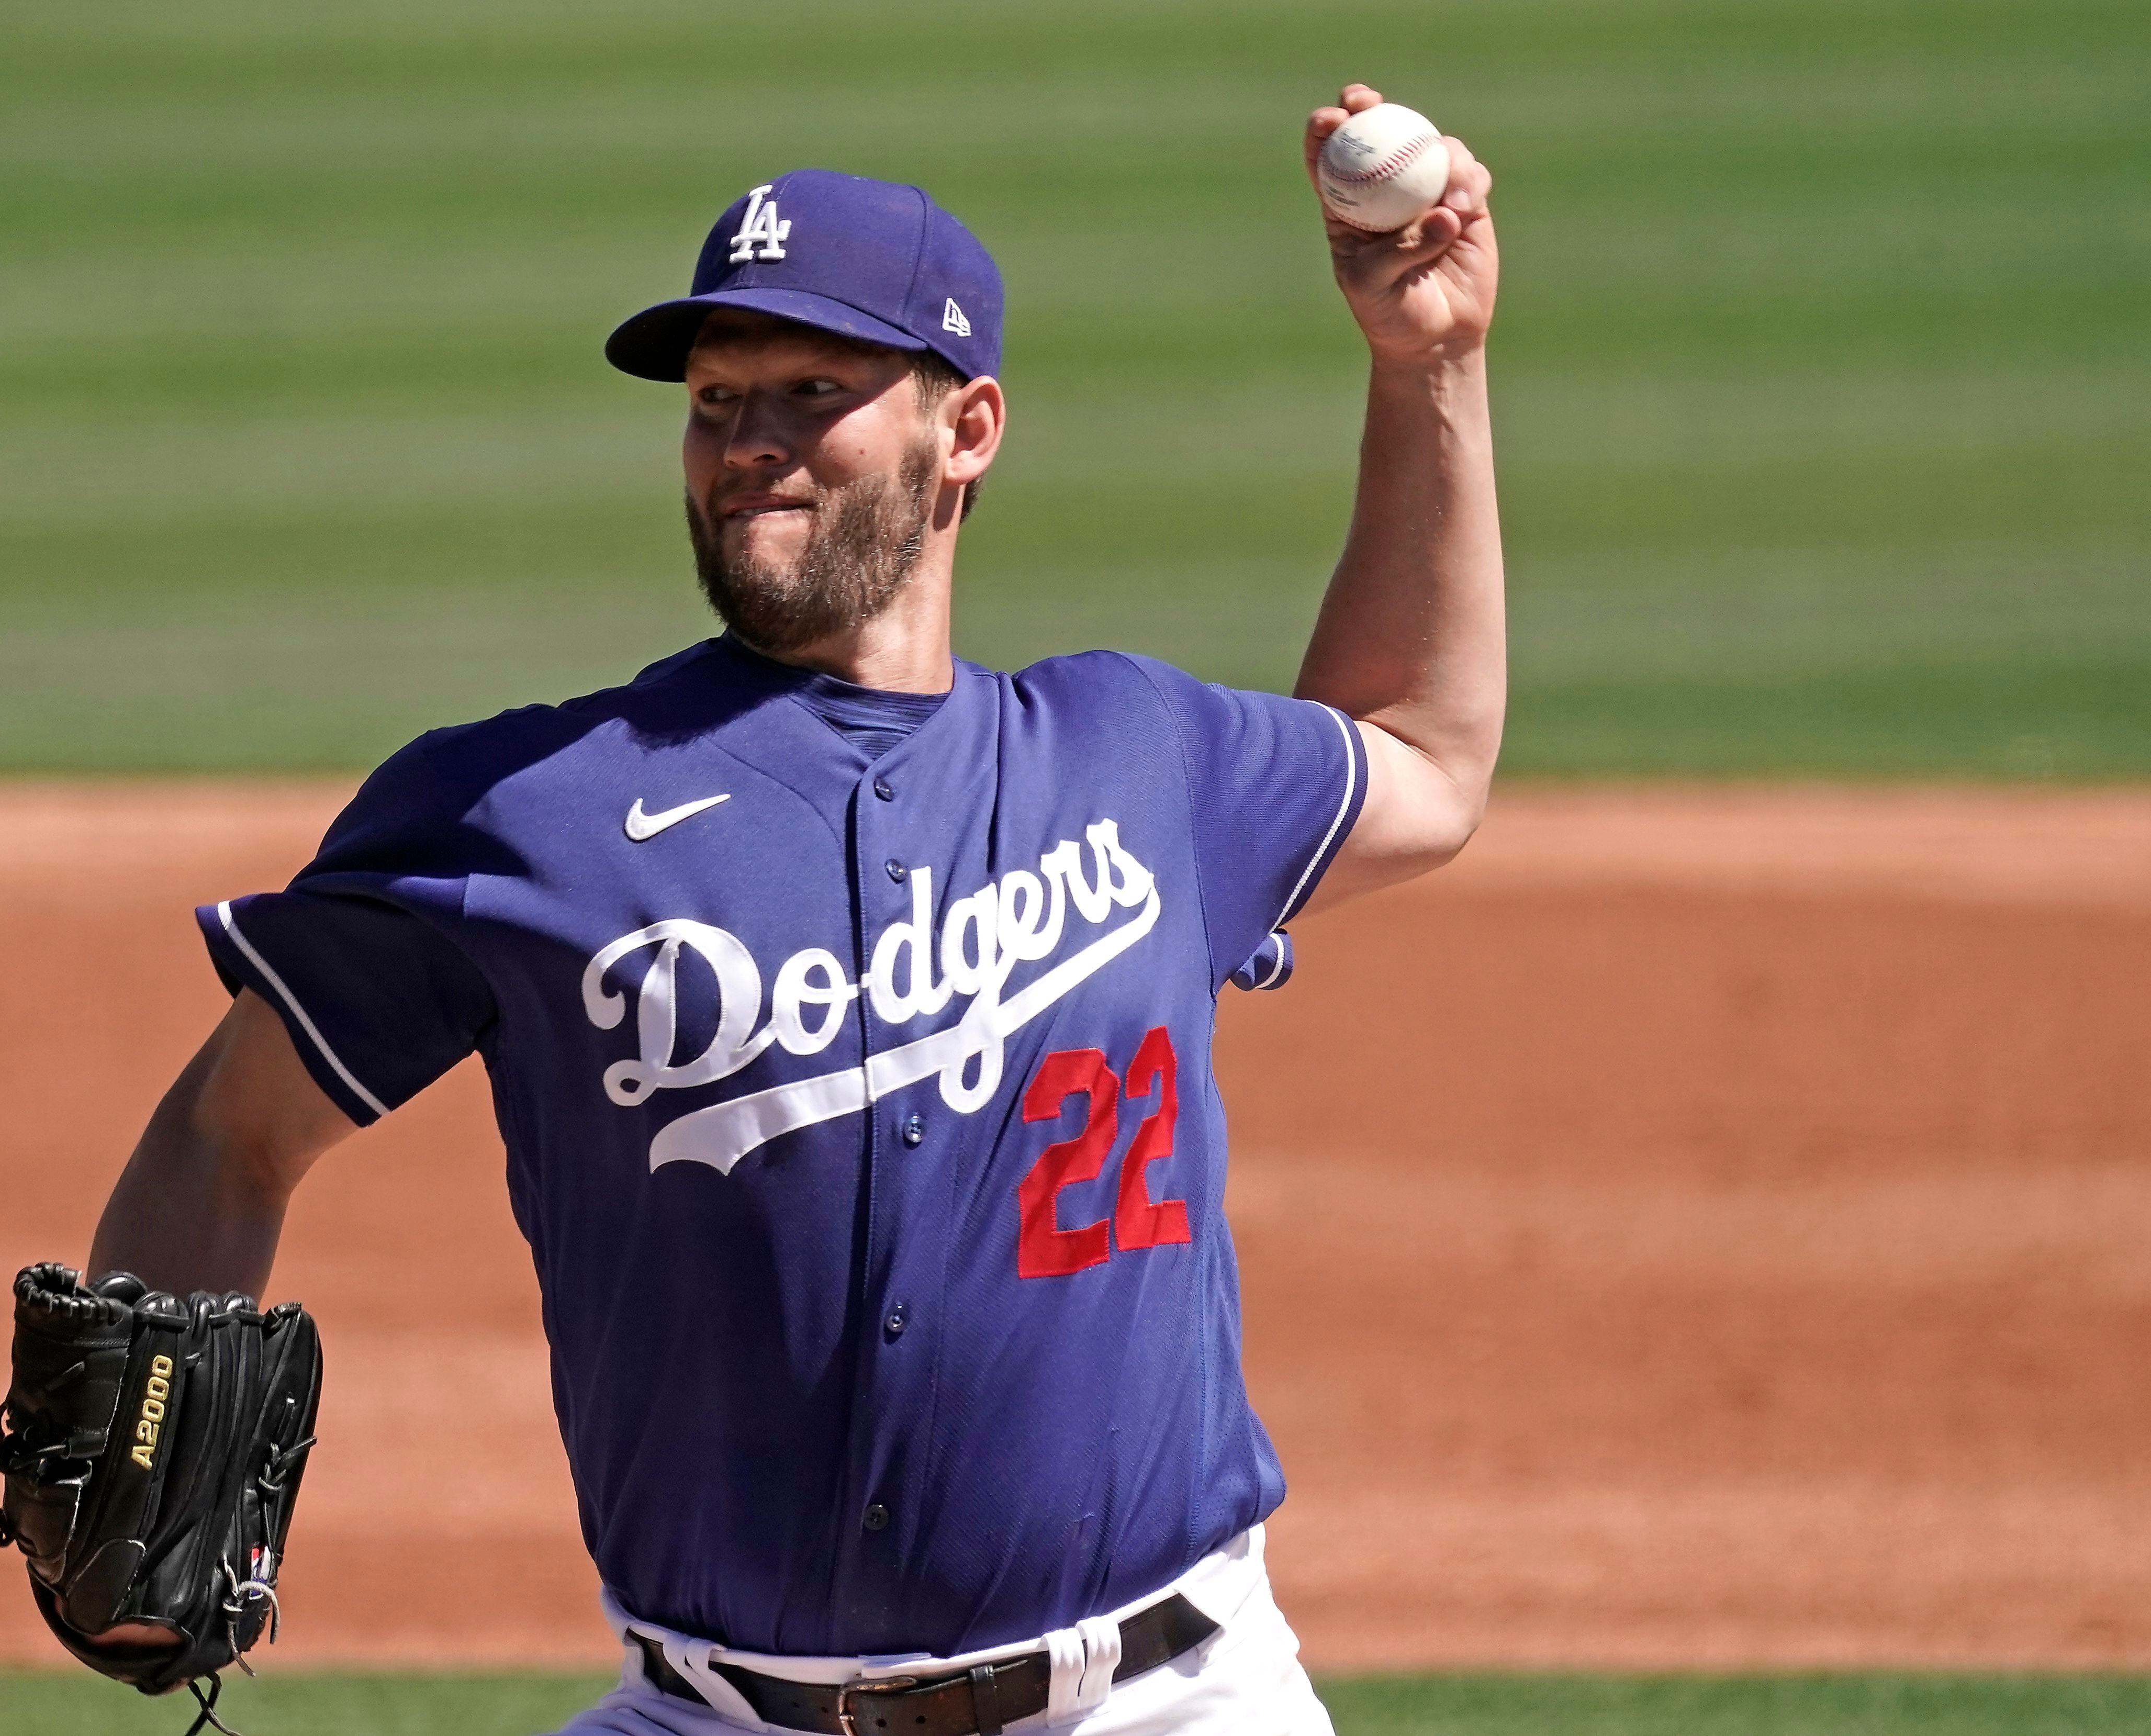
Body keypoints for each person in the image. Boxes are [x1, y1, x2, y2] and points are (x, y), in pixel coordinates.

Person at [88, 84, 1501, 1735]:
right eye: (715, 401)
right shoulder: (523, 812)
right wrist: (138, 1449)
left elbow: (1421, 758)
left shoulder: (1139, 756)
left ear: (966, 429)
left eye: (813, 391)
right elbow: (227, 1132)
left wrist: (1430, 369)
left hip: (1169, 1704)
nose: (748, 441)